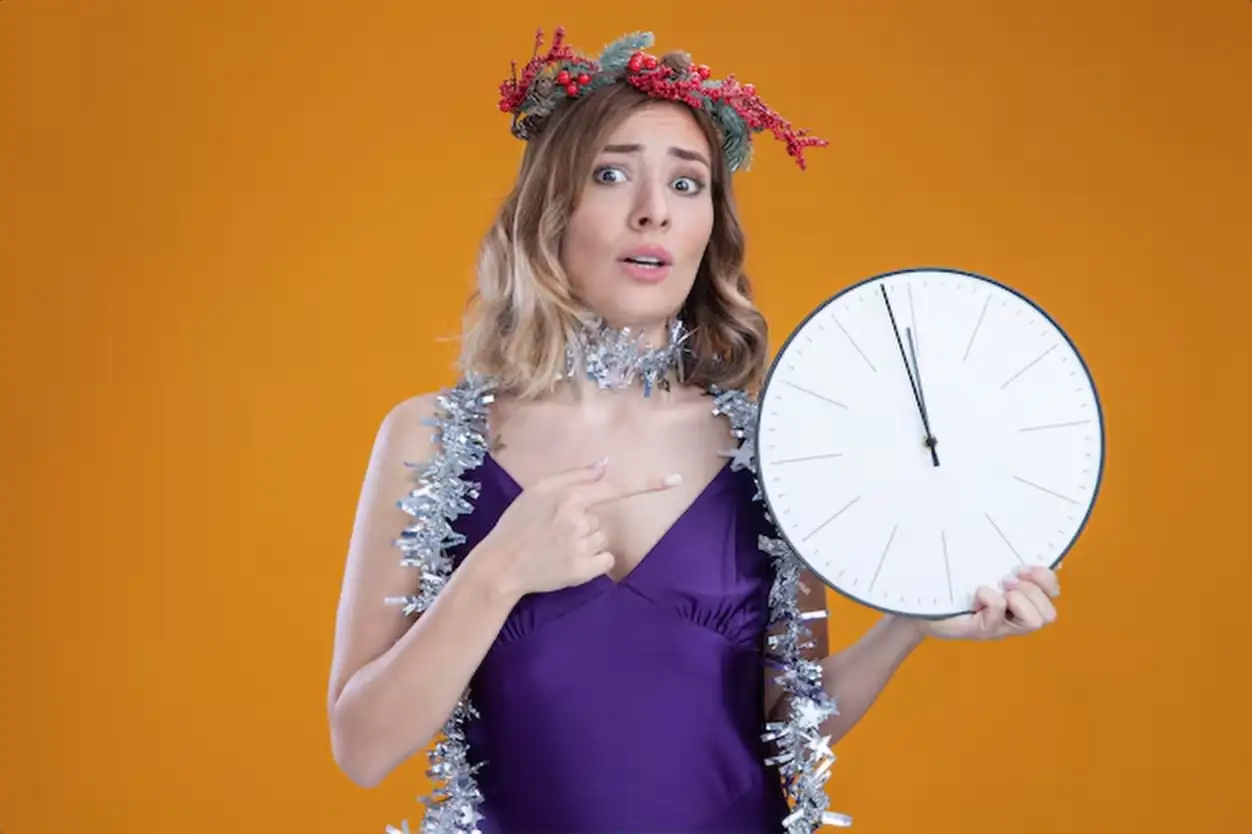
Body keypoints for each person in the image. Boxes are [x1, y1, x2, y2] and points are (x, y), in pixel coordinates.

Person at [326, 26, 1062, 834]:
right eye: (612, 174)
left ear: (711, 223)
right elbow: (362, 749)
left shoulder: (770, 445)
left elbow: (788, 729)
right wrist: (496, 572)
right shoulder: (434, 440)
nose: (652, 213)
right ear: (550, 208)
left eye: (687, 184)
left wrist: (908, 624)